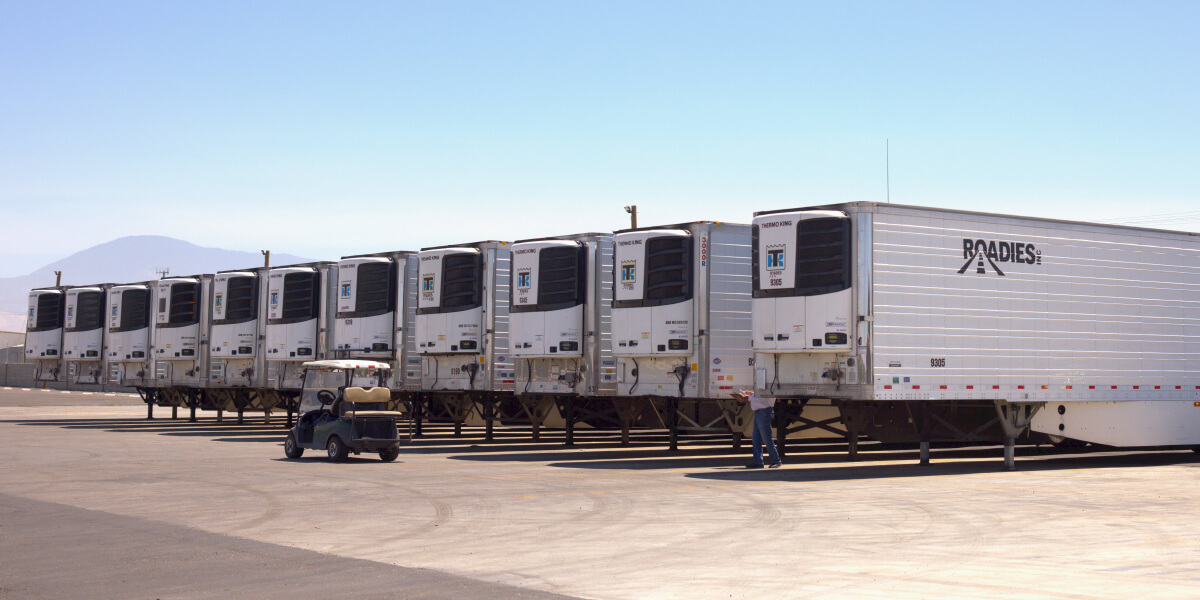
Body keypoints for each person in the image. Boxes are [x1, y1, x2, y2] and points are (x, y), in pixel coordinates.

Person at [733, 389, 782, 468]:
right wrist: (751, 394)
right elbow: (761, 395)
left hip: (764, 412)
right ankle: (758, 462)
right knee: (756, 439)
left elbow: (763, 398)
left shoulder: (770, 386)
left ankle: (776, 460)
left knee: (766, 439)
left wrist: (749, 397)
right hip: (760, 412)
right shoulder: (768, 385)